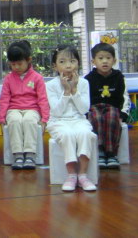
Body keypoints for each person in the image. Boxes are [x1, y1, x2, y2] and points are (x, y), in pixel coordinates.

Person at [46, 44, 97, 192]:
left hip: (79, 120)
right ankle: (71, 175)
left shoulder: (84, 83)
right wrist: (66, 91)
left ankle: (83, 175)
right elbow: (56, 112)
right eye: (62, 62)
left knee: (85, 133)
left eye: (72, 61)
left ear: (78, 63)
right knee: (67, 134)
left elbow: (84, 109)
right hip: (58, 121)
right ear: (55, 66)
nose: (68, 66)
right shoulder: (50, 85)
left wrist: (74, 89)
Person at [0, 40, 49, 170]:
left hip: (32, 109)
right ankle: (18, 155)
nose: (16, 67)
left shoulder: (37, 78)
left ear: (28, 60)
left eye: (19, 64)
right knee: (14, 121)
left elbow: (42, 99)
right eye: (13, 64)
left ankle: (30, 154)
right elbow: (4, 99)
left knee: (29, 120)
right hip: (13, 109)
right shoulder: (8, 79)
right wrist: (1, 118)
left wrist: (44, 119)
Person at [84, 42, 131, 169]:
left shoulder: (119, 77)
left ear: (114, 61)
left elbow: (124, 96)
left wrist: (123, 114)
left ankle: (111, 153)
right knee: (96, 118)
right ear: (93, 61)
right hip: (94, 107)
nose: (105, 61)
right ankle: (100, 152)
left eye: (108, 58)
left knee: (112, 117)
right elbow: (85, 98)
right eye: (100, 58)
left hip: (112, 107)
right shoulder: (88, 78)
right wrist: (85, 113)